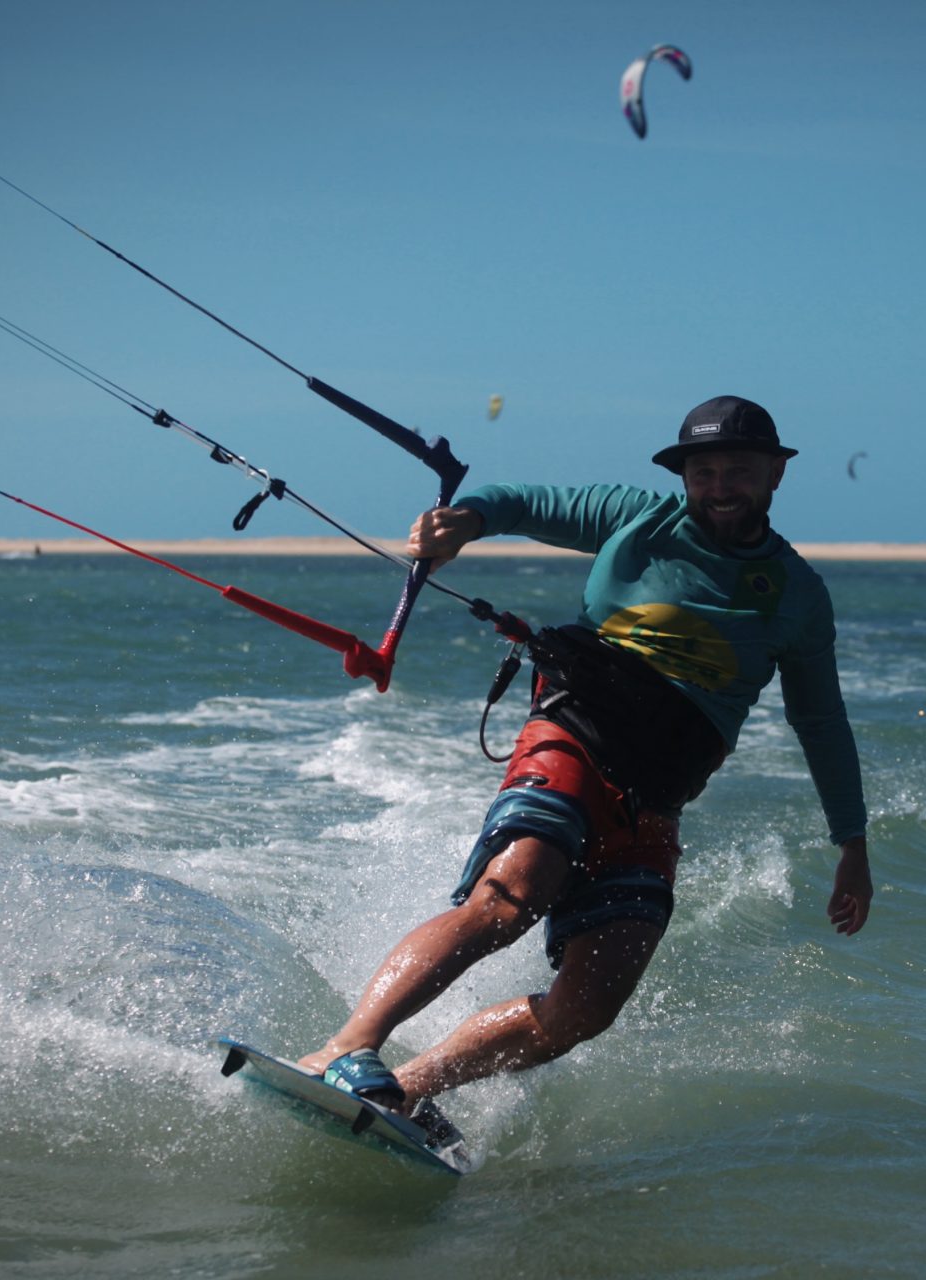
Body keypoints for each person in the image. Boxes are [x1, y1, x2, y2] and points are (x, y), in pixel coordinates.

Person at [297, 395, 871, 1123]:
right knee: (511, 896)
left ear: (774, 476)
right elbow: (524, 503)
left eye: (739, 471)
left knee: (589, 1006)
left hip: (655, 799)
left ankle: (405, 1092)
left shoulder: (798, 595)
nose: (721, 487)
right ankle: (345, 1047)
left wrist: (852, 844)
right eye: (704, 472)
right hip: (575, 737)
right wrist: (464, 522)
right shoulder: (637, 519)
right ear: (684, 477)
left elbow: (821, 722)